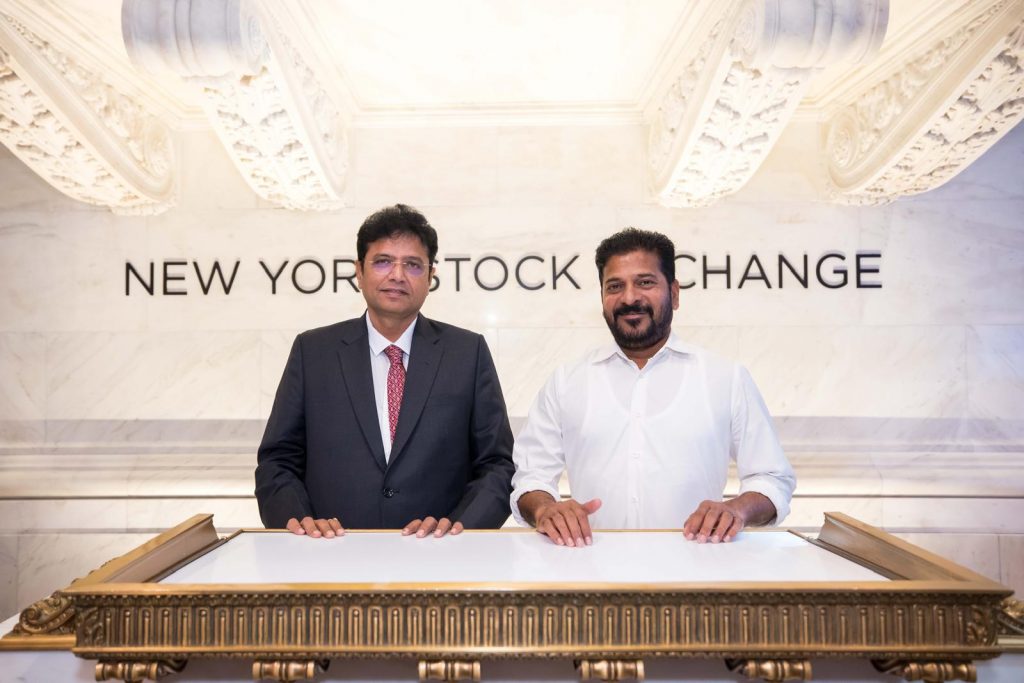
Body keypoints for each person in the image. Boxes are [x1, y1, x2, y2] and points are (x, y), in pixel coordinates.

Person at [511, 228, 795, 547]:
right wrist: (547, 508)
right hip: (591, 578)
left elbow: (772, 479)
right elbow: (530, 477)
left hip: (697, 576)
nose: (630, 298)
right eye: (614, 286)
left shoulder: (725, 378)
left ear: (674, 293)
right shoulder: (566, 381)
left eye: (645, 282)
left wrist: (736, 511)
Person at [256, 204, 515, 539]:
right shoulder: (313, 352)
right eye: (383, 262)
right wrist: (298, 521)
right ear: (359, 272)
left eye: (413, 265)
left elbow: (497, 465)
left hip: (439, 561)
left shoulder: (467, 352)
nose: (397, 275)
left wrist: (459, 528)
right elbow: (278, 461)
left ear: (430, 277)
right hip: (330, 559)